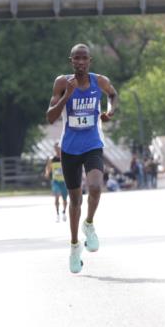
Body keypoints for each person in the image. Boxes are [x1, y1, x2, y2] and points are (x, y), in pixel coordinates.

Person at [47, 43, 118, 274]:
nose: (80, 62)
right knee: (75, 201)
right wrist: (67, 96)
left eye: (84, 58)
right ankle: (75, 245)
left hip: (93, 144)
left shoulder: (100, 82)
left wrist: (110, 110)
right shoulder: (62, 83)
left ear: (90, 61)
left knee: (96, 187)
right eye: (76, 58)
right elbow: (50, 117)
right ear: (71, 61)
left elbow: (113, 95)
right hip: (69, 149)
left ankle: (89, 224)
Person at [45, 142, 68, 222]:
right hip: (56, 181)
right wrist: (47, 173)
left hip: (64, 181)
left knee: (65, 199)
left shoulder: (65, 158)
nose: (57, 150)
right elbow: (48, 168)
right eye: (56, 148)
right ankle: (57, 214)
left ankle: (64, 212)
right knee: (57, 196)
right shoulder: (52, 159)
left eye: (59, 148)